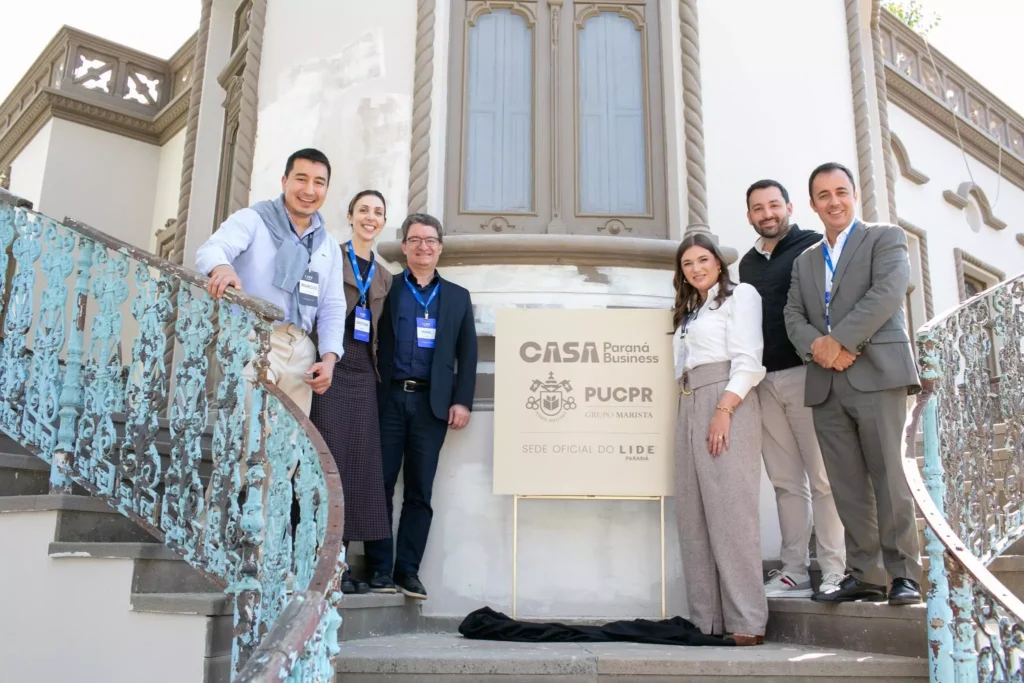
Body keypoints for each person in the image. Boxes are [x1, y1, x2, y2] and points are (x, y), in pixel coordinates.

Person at [784, 162, 922, 605]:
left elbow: (889, 290)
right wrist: (821, 349)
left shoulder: (884, 237)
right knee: (845, 484)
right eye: (823, 195)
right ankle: (866, 573)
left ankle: (904, 574)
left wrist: (839, 341)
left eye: (840, 191)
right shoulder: (804, 260)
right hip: (826, 382)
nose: (833, 201)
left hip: (877, 373)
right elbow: (792, 315)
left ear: (854, 195)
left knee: (889, 477)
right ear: (812, 204)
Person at [738, 180, 846, 599]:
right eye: (757, 208)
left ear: (789, 206)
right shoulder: (747, 264)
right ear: (749, 215)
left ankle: (835, 568)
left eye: (773, 205)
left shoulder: (813, 246)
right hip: (764, 381)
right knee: (785, 481)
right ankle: (794, 568)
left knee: (823, 478)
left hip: (808, 375)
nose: (767, 214)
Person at [362, 213, 478, 600]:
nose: (423, 246)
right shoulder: (387, 287)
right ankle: (379, 569)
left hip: (433, 406)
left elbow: (468, 354)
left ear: (440, 247)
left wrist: (462, 400)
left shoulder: (459, 297)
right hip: (389, 400)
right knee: (377, 485)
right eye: (415, 240)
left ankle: (407, 572)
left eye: (430, 240)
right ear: (405, 247)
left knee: (419, 492)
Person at [195, 148, 345, 414]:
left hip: (300, 351)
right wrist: (223, 268)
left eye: (318, 182)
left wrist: (329, 359)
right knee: (245, 439)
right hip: (251, 339)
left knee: (287, 448)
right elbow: (212, 249)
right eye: (301, 179)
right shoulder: (253, 219)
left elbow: (332, 306)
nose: (309, 189)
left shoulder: (328, 246)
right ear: (284, 181)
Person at [672, 232, 767, 645]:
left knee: (731, 513)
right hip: (688, 401)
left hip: (726, 398)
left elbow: (749, 359)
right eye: (687, 263)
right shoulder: (689, 310)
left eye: (703, 259)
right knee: (693, 514)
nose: (696, 268)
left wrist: (724, 410)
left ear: (718, 261)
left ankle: (747, 622)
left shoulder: (740, 296)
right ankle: (706, 620)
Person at [308, 190, 393, 595]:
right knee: (330, 461)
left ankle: (345, 563)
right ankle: (327, 562)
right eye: (364, 211)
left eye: (378, 213)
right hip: (330, 365)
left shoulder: (384, 274)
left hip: (363, 374)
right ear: (350, 216)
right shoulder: (328, 254)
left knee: (361, 467)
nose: (370, 218)